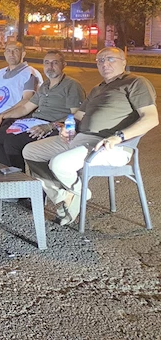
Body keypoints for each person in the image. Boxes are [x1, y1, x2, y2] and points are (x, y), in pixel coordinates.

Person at [23, 47, 158, 226]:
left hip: (110, 145)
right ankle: (66, 195)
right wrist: (67, 126)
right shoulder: (98, 88)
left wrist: (118, 137)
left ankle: (79, 194)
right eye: (100, 60)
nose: (105, 64)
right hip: (79, 138)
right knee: (30, 151)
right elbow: (77, 116)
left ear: (124, 62)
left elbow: (151, 118)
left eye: (110, 59)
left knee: (59, 164)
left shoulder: (136, 83)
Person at [0, 50, 85, 170]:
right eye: (46, 63)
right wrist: (2, 116)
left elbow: (76, 114)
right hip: (33, 122)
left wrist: (50, 126)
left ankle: (18, 176)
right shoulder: (45, 85)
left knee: (12, 142)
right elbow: (25, 108)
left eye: (55, 63)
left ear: (64, 65)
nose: (50, 66)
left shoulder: (71, 85)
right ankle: (10, 172)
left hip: (52, 127)